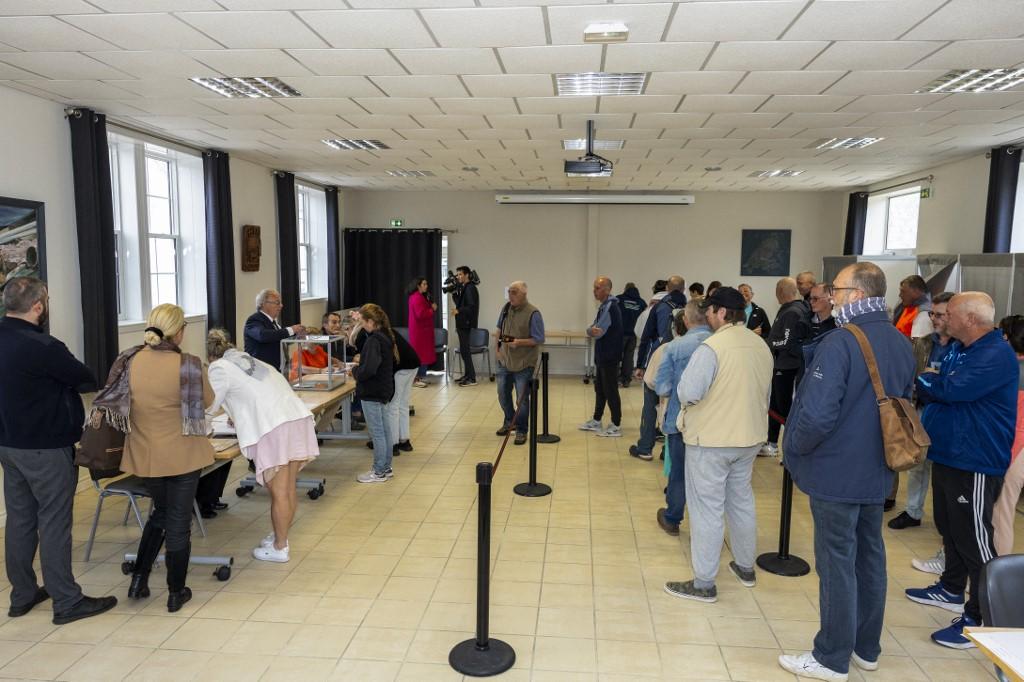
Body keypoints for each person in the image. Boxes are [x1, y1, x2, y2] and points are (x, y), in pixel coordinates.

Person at [779, 262, 915, 681]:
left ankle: (831, 657)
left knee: (836, 563)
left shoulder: (841, 342)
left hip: (837, 472)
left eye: (835, 290)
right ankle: (865, 647)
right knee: (869, 558)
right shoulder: (899, 340)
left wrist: (793, 450)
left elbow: (817, 416)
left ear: (856, 295)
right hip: (877, 470)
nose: (830, 297)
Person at [0, 277, 117, 625]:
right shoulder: (44, 346)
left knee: (20, 519)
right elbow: (85, 377)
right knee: (54, 522)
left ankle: (22, 594)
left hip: (9, 444)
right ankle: (66, 601)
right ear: (38, 306)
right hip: (46, 447)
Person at [906, 292, 1016, 649]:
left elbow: (950, 389)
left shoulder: (994, 354)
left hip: (976, 460)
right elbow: (940, 384)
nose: (942, 319)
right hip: (951, 454)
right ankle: (951, 588)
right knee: (950, 528)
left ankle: (981, 617)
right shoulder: (960, 348)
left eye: (948, 314)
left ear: (970, 318)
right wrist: (932, 381)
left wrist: (926, 380)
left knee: (975, 540)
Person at [664, 287, 772, 603]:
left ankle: (703, 583)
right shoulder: (760, 345)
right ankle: (745, 566)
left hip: (712, 440)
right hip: (749, 437)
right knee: (741, 500)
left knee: (707, 509)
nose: (708, 315)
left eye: (711, 310)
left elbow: (688, 393)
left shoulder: (712, 348)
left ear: (722, 312)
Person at [115, 303, 215, 613]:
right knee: (177, 521)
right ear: (180, 331)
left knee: (161, 512)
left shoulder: (129, 360)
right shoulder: (188, 365)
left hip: (145, 455)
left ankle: (139, 580)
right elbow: (208, 402)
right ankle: (175, 591)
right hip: (182, 455)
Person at [206, 329, 319, 563]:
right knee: (287, 488)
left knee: (278, 491)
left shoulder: (218, 368)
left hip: (274, 427)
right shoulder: (252, 360)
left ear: (211, 356)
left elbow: (209, 405)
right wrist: (238, 414)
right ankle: (281, 536)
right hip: (295, 419)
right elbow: (257, 395)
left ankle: (279, 548)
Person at [888, 292, 956, 530]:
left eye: (940, 315)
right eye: (932, 314)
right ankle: (913, 511)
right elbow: (913, 376)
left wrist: (936, 379)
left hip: (951, 416)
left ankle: (948, 522)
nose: (934, 319)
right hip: (922, 410)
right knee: (918, 465)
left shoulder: (964, 346)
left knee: (947, 473)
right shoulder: (925, 343)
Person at [654, 301, 712, 535]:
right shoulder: (717, 344)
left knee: (679, 471)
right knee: (708, 477)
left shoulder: (676, 347)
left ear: (686, 321)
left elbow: (663, 387)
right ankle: (706, 525)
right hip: (712, 422)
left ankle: (673, 518)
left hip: (680, 420)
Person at [632, 276, 687, 460]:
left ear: (668, 288)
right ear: (684, 288)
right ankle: (668, 451)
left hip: (659, 359)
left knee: (650, 405)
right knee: (675, 408)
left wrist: (640, 365)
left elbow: (646, 337)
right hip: (684, 364)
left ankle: (645, 448)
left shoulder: (659, 307)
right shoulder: (692, 310)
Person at [762, 278, 811, 458]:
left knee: (785, 407)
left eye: (776, 289)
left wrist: (767, 342)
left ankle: (792, 448)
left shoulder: (793, 311)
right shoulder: (789, 310)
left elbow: (786, 341)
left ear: (782, 291)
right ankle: (772, 443)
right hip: (781, 364)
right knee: (775, 404)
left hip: (788, 366)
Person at [352, 303, 397, 484]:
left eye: (363, 322)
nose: (362, 325)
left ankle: (379, 471)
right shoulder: (385, 336)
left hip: (372, 391)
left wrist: (355, 371)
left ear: (371, 322)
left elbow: (367, 370)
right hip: (383, 389)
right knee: (385, 430)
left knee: (377, 432)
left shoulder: (373, 341)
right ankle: (386, 467)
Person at [495, 281, 545, 446]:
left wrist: (518, 342)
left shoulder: (533, 313)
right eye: (509, 292)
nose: (511, 295)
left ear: (524, 294)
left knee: (521, 400)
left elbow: (538, 339)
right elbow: (499, 330)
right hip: (504, 360)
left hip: (524, 363)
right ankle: (510, 421)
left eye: (514, 292)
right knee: (502, 394)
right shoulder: (506, 308)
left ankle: (522, 430)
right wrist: (497, 349)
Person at [994, 315, 1024, 556]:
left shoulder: (1017, 372)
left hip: (1014, 452)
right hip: (1015, 450)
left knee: (1000, 513)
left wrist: (1005, 459)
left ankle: (994, 575)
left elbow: (1018, 426)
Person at [580, 277, 623, 438]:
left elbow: (598, 332)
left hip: (609, 356)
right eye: (594, 288)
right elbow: (593, 329)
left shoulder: (611, 307)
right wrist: (591, 330)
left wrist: (590, 330)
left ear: (607, 289)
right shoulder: (604, 306)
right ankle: (597, 420)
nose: (594, 291)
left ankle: (616, 424)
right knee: (600, 388)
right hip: (603, 355)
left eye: (597, 288)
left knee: (610, 390)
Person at [244, 289, 305, 369]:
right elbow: (263, 335)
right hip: (261, 371)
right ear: (264, 304)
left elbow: (278, 339)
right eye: (277, 302)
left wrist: (296, 336)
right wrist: (291, 330)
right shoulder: (254, 320)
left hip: (278, 369)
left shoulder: (273, 322)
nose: (281, 305)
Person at [388, 327, 420, 456]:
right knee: (403, 405)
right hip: (412, 364)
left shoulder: (378, 334)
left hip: (402, 367)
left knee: (393, 406)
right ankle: (404, 441)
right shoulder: (389, 330)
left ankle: (393, 443)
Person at [407, 276, 437, 388]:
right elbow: (420, 314)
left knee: (422, 356)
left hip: (422, 331)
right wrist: (432, 309)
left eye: (426, 284)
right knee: (420, 356)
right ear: (418, 286)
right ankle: (415, 379)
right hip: (420, 332)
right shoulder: (417, 297)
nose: (426, 286)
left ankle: (419, 377)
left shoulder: (418, 297)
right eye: (424, 284)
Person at [452, 265, 480, 387]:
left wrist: (459, 311)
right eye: (457, 274)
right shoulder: (465, 287)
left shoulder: (470, 288)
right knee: (464, 350)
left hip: (466, 323)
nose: (458, 276)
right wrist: (454, 292)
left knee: (465, 351)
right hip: (462, 323)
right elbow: (460, 303)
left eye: (460, 274)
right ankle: (468, 375)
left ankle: (472, 378)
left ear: (467, 275)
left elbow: (471, 307)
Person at [617, 282, 645, 387]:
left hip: (620, 334)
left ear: (625, 289)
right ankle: (626, 380)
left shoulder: (619, 299)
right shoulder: (641, 302)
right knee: (629, 357)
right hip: (633, 335)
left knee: (616, 357)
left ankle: (616, 379)